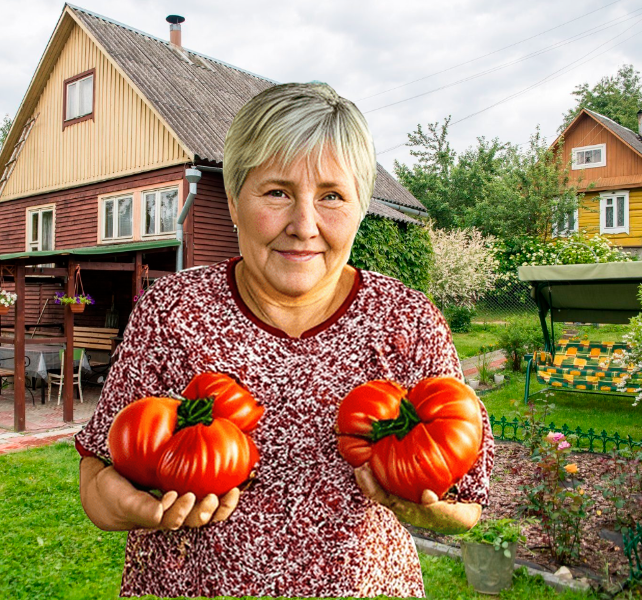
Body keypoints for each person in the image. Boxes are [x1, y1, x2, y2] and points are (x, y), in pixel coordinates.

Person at [74, 82, 495, 598]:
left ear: (361, 207)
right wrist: (120, 506)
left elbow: (469, 499)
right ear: (232, 201)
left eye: (332, 196)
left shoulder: (407, 320)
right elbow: (97, 470)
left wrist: (432, 509)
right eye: (277, 192)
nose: (304, 225)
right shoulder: (173, 311)